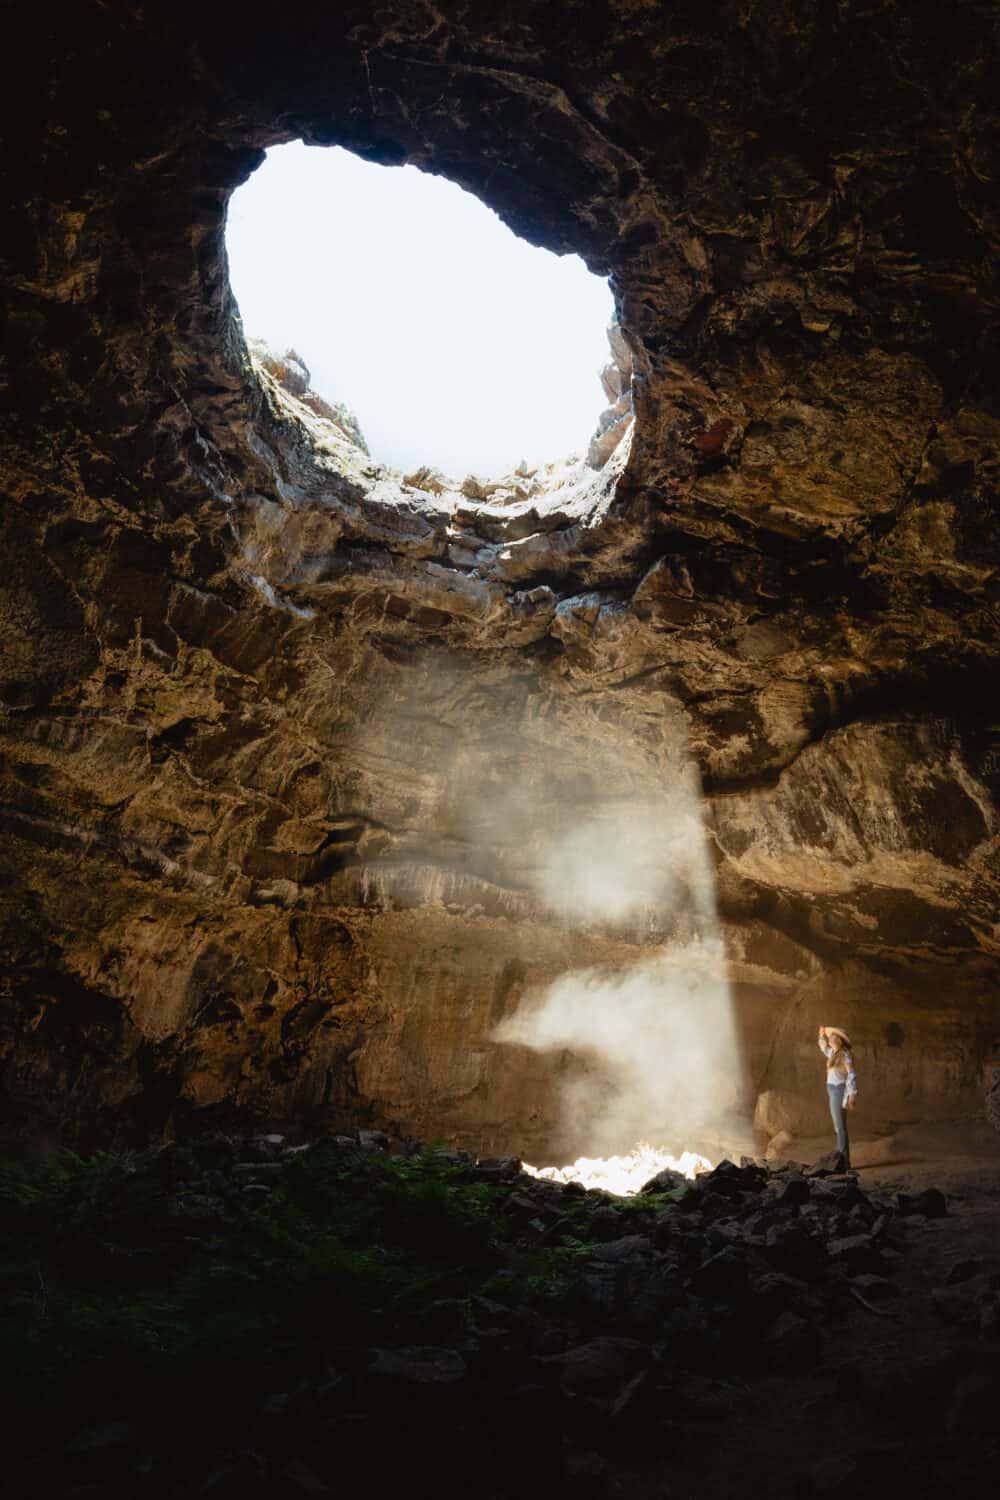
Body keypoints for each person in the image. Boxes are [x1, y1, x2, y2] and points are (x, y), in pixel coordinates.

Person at [818, 1025, 857, 1166]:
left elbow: (851, 1074)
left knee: (840, 1127)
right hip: (832, 1090)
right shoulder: (834, 1052)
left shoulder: (844, 1055)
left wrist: (852, 1095)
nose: (831, 1038)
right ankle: (843, 1159)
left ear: (840, 1040)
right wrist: (821, 1035)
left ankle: (844, 1161)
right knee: (838, 1127)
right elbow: (823, 1048)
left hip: (838, 1090)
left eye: (834, 1036)